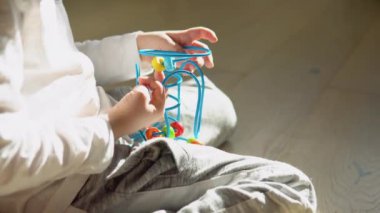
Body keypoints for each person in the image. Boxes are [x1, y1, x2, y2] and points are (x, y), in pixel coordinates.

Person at [0, 0, 317, 212]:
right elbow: (6, 159)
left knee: (214, 103)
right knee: (287, 187)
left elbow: (49, 65)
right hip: (74, 179)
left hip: (97, 126)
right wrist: (112, 126)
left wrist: (138, 47)